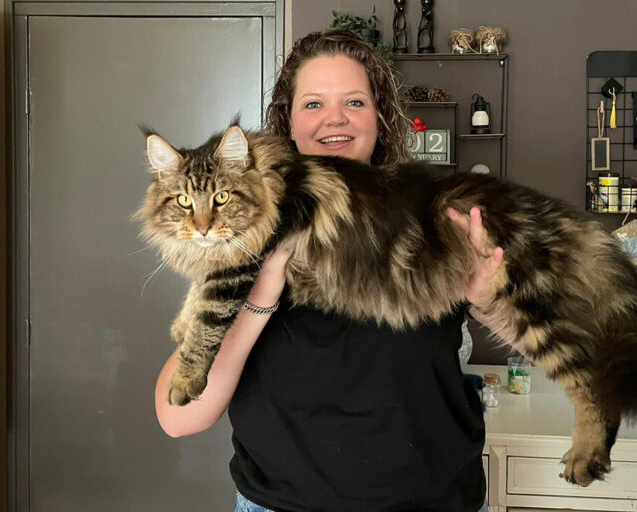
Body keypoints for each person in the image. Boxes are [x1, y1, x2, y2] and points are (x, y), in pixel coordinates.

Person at [155, 30, 504, 512]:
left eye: (355, 101)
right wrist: (261, 298)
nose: (335, 119)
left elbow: (536, 341)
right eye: (314, 103)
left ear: (380, 118)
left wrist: (489, 298)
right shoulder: (245, 228)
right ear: (289, 121)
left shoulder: (429, 213)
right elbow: (180, 418)